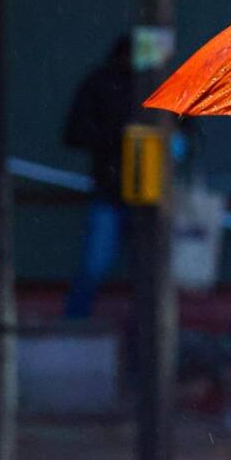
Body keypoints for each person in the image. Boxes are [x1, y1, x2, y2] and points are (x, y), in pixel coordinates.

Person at [63, 36, 134, 319]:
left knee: (149, 269)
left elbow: (186, 131)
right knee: (95, 265)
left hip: (144, 191)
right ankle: (75, 322)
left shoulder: (155, 84)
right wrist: (117, 137)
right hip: (112, 189)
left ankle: (143, 327)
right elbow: (74, 132)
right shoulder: (102, 84)